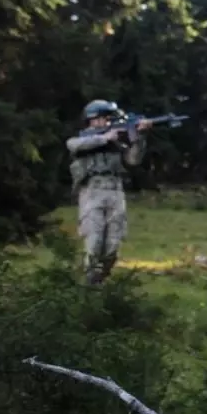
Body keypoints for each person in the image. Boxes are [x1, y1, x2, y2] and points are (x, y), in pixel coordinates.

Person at [66, 99, 151, 286]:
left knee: (113, 244)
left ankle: (100, 282)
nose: (107, 123)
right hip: (92, 191)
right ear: (93, 120)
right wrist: (105, 138)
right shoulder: (83, 141)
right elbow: (73, 145)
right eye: (104, 119)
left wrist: (140, 137)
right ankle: (87, 286)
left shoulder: (116, 145)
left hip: (115, 191)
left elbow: (133, 160)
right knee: (94, 241)